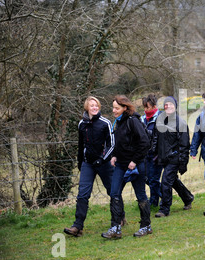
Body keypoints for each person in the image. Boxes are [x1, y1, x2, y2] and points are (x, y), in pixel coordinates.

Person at [101, 95, 152, 239]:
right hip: (121, 164)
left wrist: (135, 161)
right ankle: (116, 228)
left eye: (117, 108)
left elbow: (145, 142)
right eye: (113, 108)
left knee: (140, 194)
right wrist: (115, 155)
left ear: (125, 108)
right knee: (114, 193)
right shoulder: (118, 122)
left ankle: (146, 226)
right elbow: (120, 142)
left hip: (136, 165)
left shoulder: (133, 121)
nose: (114, 110)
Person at [64, 97, 115, 237]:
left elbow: (112, 145)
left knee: (113, 191)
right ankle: (77, 226)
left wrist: (103, 159)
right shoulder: (82, 124)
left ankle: (119, 218)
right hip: (88, 164)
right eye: (92, 106)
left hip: (104, 164)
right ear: (87, 108)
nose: (94, 107)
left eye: (96, 105)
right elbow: (81, 146)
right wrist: (80, 162)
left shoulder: (105, 123)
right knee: (82, 194)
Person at [152, 96, 194, 218]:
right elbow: (155, 138)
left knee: (165, 181)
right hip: (163, 157)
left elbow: (184, 145)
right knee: (172, 180)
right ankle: (188, 197)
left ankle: (164, 209)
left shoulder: (180, 123)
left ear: (175, 107)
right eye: (166, 104)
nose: (168, 106)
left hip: (174, 158)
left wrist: (183, 163)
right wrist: (153, 153)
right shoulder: (159, 120)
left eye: (171, 104)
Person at [141, 94, 163, 208]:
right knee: (147, 179)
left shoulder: (161, 117)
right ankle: (154, 200)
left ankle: (163, 199)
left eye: (147, 107)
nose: (145, 110)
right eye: (144, 107)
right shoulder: (142, 119)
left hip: (157, 154)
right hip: (145, 154)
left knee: (154, 179)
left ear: (154, 106)